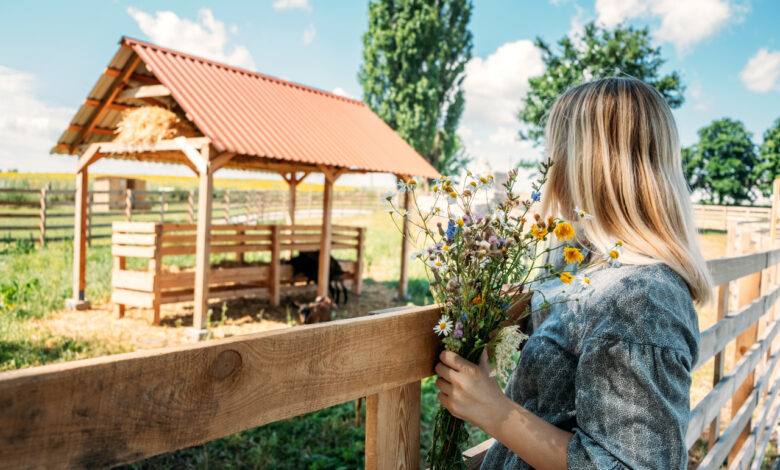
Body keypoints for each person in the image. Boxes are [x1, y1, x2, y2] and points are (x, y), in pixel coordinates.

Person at [433, 77, 712, 470]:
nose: (549, 166)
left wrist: (493, 410)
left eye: (556, 151)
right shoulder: (590, 267)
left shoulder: (642, 296)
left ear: (586, 163)